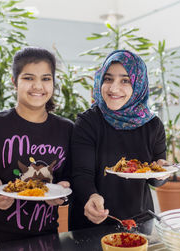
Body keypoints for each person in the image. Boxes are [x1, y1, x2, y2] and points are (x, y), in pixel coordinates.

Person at [0, 47, 73, 246]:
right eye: (28, 78)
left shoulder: (67, 129)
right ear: (14, 82)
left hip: (45, 239)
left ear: (53, 82)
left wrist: (64, 191)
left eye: (46, 78)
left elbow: (73, 178)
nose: (37, 86)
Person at [69, 49, 168, 235]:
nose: (114, 88)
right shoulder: (88, 122)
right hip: (91, 222)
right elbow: (81, 173)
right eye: (108, 79)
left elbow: (155, 180)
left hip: (139, 221)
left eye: (125, 80)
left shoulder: (153, 126)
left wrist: (162, 171)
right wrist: (90, 196)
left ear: (138, 84)